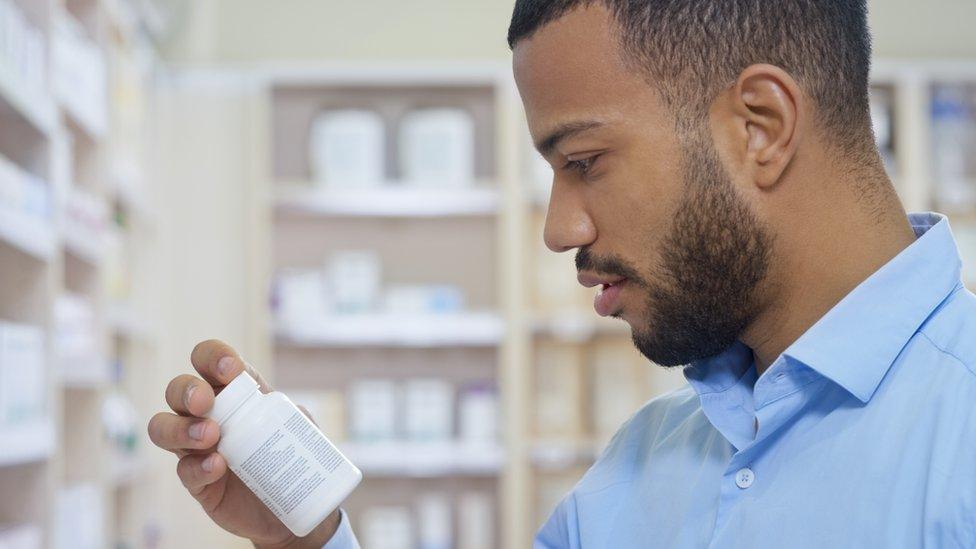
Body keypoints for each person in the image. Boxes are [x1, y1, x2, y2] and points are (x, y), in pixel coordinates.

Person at [149, 1, 976, 547]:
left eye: (583, 160)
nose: (558, 229)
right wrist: (311, 538)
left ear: (759, 127)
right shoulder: (640, 468)